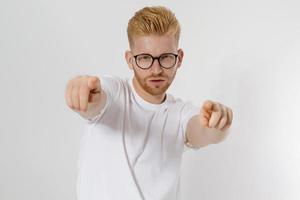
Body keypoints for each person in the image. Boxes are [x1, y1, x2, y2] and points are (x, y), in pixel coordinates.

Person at [65, 6, 233, 200]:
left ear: (179, 59)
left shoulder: (180, 113)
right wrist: (83, 93)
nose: (156, 70)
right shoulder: (115, 93)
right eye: (145, 58)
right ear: (130, 60)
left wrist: (219, 125)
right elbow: (97, 100)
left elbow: (202, 131)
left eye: (165, 58)